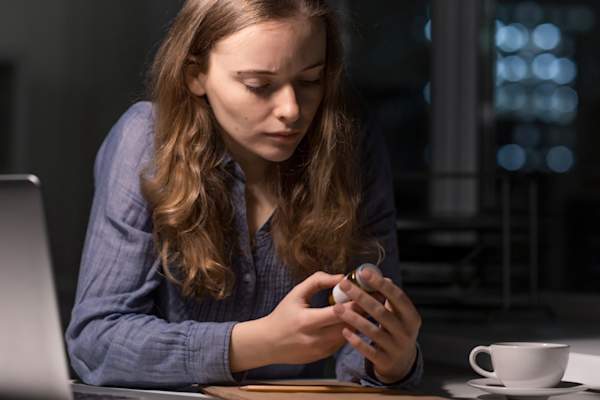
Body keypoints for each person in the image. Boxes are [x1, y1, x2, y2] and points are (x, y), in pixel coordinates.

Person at [66, 0, 423, 390]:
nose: (291, 110)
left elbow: (365, 354)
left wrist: (394, 363)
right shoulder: (147, 140)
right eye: (258, 85)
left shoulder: (351, 142)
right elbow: (96, 342)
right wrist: (258, 343)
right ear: (195, 75)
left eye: (309, 81)